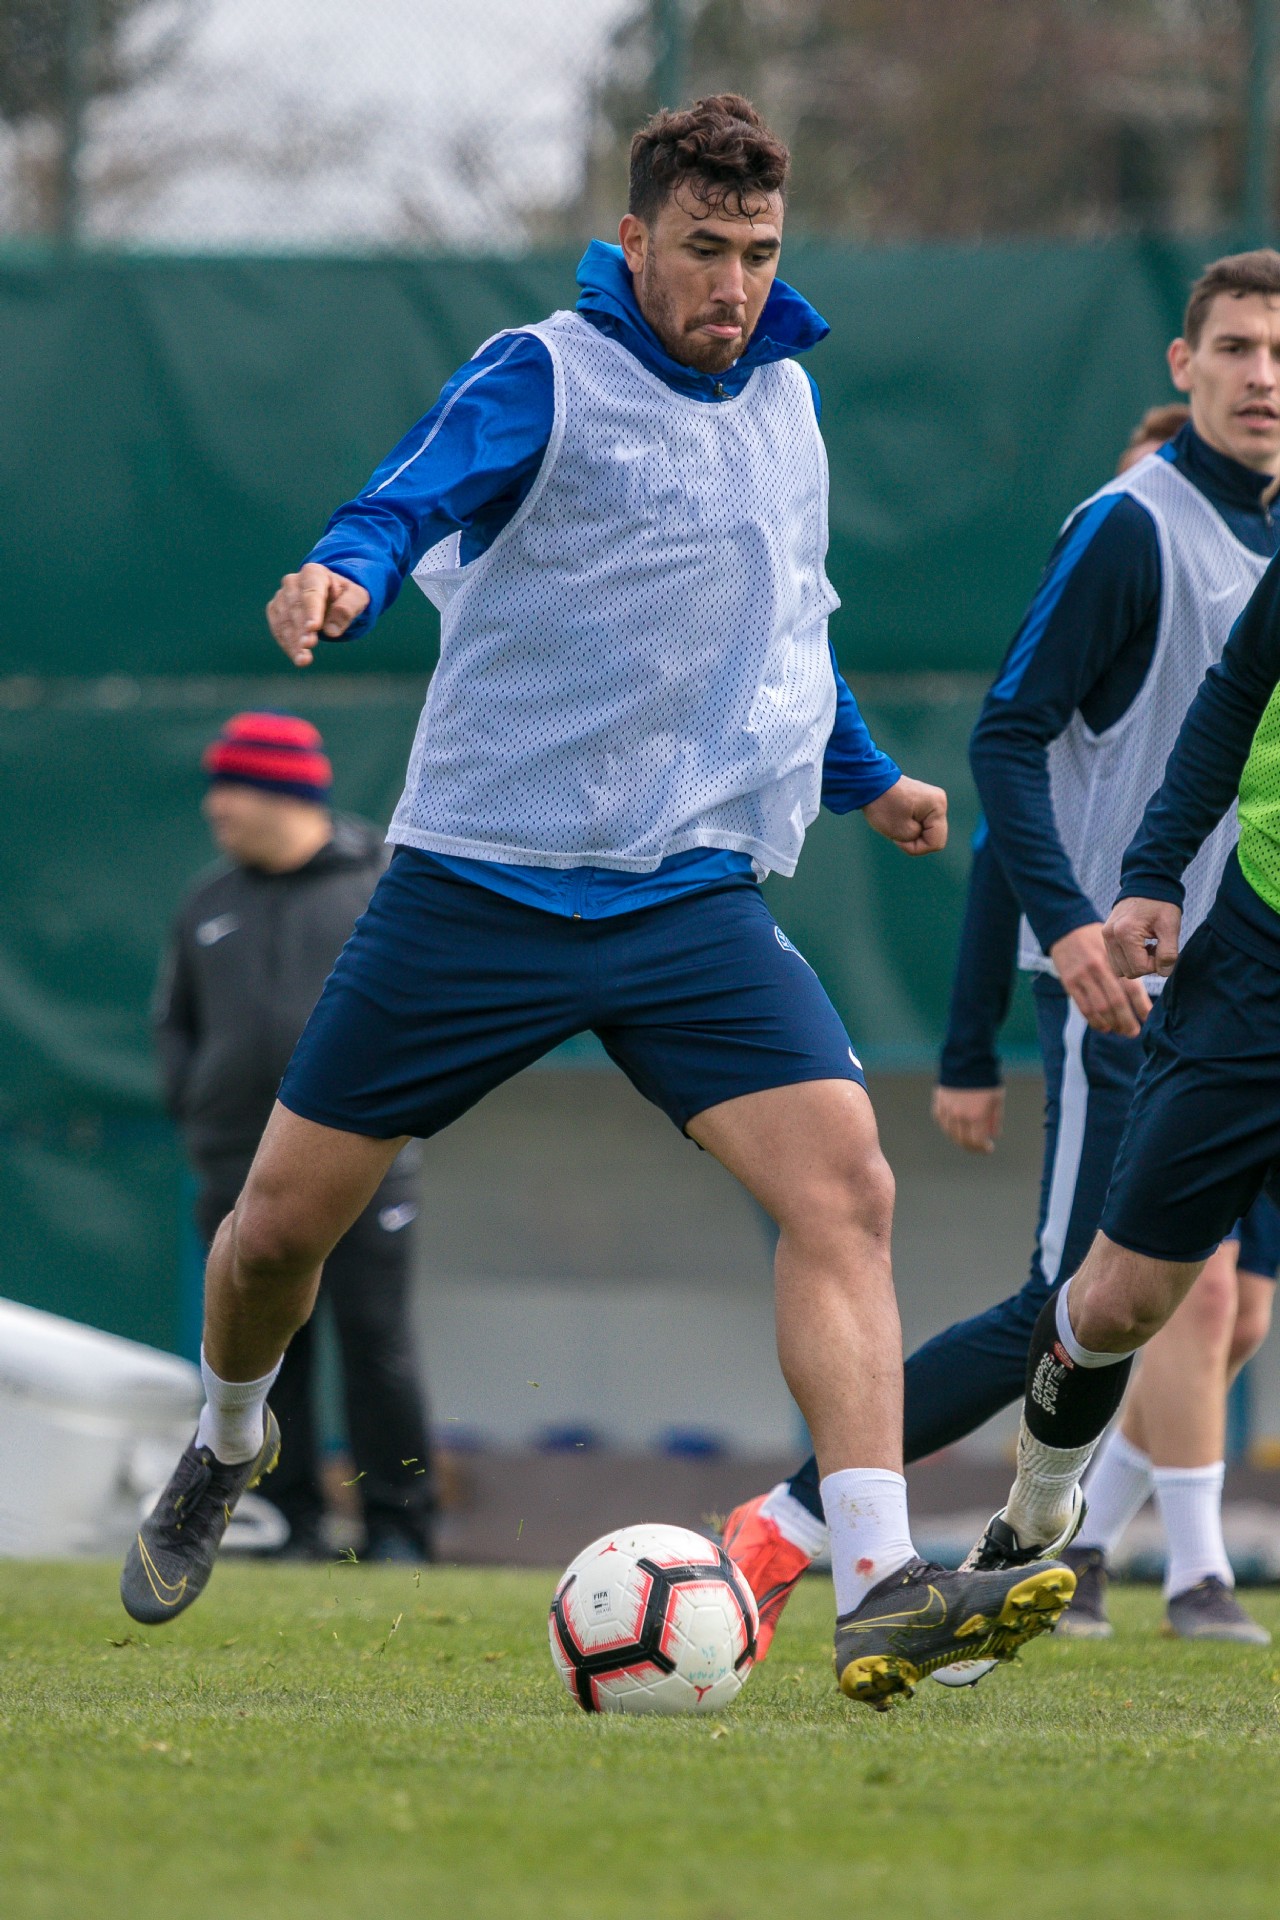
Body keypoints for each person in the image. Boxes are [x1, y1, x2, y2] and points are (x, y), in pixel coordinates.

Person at [118, 94, 1073, 1711]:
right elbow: (402, 498)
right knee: (274, 1233)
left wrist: (866, 778)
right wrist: (344, 570)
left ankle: (877, 1585)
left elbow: (787, 629)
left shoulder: (788, 401)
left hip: (685, 901)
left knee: (848, 1189)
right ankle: (228, 1438)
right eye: (704, 248)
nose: (736, 284)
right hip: (476, 890)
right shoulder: (544, 374)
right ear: (632, 241)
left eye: (759, 251)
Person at [724, 258, 1280, 1659]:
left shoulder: (1269, 536)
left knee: (1215, 1308)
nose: (1263, 377)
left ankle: (1088, 1547)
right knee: (1069, 1299)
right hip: (1129, 983)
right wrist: (1073, 925)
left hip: (1233, 969)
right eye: (1235, 348)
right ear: (1182, 365)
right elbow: (1007, 737)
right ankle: (795, 1523)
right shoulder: (1129, 527)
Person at [986, 475, 1280, 1589]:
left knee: (1232, 1312)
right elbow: (1238, 687)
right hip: (1255, 961)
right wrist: (1152, 869)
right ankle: (1036, 1517)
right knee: (1119, 1301)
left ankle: (1191, 1573)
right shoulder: (1133, 523)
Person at [154, 710, 436, 1561]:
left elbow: (426, 1010)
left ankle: (398, 1531)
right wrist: (196, 1106)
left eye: (231, 786)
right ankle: (287, 1526)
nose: (215, 806)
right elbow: (176, 1024)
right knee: (263, 1354)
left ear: (283, 790)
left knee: (376, 1346)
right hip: (234, 1169)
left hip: (362, 1168)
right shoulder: (207, 900)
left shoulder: (380, 884)